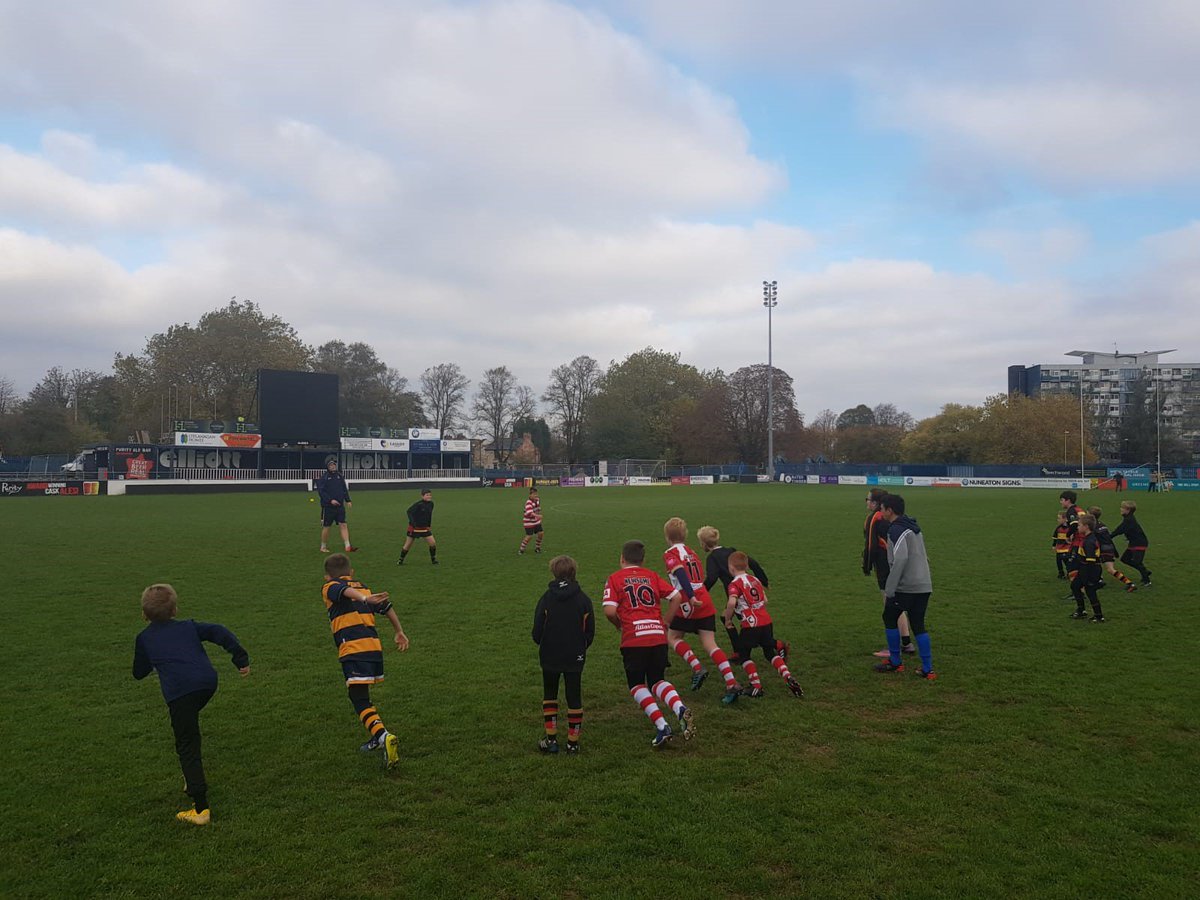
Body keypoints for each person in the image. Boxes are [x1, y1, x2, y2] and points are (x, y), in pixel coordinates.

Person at [132, 584, 250, 826]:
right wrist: (240, 658)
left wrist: (153, 658)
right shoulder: (189, 626)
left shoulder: (144, 638)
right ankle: (192, 778)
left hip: (181, 694)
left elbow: (138, 672)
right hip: (207, 683)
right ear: (175, 609)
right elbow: (219, 631)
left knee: (187, 745)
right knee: (188, 727)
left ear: (144, 615)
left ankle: (201, 810)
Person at [602, 540, 695, 748]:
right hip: (657, 635)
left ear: (621, 559)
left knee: (637, 685)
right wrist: (667, 621)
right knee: (657, 680)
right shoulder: (651, 575)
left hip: (634, 637)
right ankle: (679, 708)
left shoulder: (615, 578)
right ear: (642, 560)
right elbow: (677, 596)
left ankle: (663, 726)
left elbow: (609, 610)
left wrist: (619, 624)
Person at [321, 553, 409, 768]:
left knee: (358, 698)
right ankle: (376, 737)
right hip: (373, 649)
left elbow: (340, 589)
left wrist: (363, 599)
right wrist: (399, 631)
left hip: (354, 649)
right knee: (362, 696)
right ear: (351, 572)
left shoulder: (330, 587)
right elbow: (386, 607)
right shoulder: (363, 587)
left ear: (327, 576)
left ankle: (383, 736)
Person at [662, 517, 742, 704]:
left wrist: (690, 596)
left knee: (673, 637)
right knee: (710, 644)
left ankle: (697, 667)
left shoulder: (670, 554)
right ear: (686, 535)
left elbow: (681, 574)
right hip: (704, 599)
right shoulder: (692, 552)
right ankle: (732, 683)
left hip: (688, 601)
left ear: (667, 537)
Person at [697, 525, 790, 663]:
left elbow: (711, 578)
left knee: (751, 629)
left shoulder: (712, 558)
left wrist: (701, 594)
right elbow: (753, 563)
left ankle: (776, 645)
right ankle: (740, 652)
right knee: (727, 618)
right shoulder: (731, 551)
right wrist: (764, 580)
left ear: (703, 543)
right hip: (745, 591)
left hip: (738, 596)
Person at [531, 555, 594, 754]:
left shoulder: (546, 598)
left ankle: (551, 741)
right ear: (574, 573)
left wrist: (545, 643)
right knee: (574, 696)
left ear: (554, 573)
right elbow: (589, 633)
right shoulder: (584, 600)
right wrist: (580, 648)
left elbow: (536, 631)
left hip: (550, 654)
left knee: (550, 694)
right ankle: (572, 743)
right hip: (575, 655)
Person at [722, 552, 803, 698]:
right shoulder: (755, 580)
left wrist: (728, 618)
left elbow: (732, 602)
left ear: (731, 568)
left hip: (750, 624)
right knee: (768, 653)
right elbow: (765, 600)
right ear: (746, 566)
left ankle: (756, 686)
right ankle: (787, 676)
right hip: (766, 621)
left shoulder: (734, 584)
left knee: (744, 654)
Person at [873, 494, 936, 680]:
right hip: (924, 584)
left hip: (906, 586)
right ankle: (927, 669)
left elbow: (901, 558)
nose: (880, 512)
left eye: (882, 508)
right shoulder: (913, 527)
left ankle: (895, 661)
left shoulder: (896, 530)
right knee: (918, 625)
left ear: (889, 510)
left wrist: (891, 587)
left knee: (889, 617)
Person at [864, 490, 914, 657]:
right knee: (896, 604)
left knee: (890, 605)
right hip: (898, 564)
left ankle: (894, 648)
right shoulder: (897, 519)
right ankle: (906, 642)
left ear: (877, 504)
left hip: (885, 565)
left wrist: (867, 564)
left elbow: (871, 544)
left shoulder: (875, 518)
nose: (866, 502)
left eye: (869, 499)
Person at [1088, 506, 1137, 592]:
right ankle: (1099, 580)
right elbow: (1108, 538)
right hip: (1109, 548)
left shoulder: (1093, 527)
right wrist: (1114, 550)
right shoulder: (1102, 525)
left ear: (1091, 516)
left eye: (1087, 513)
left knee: (1108, 569)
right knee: (1096, 565)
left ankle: (1130, 584)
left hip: (1103, 549)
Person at [1068, 515, 1105, 623]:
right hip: (1084, 569)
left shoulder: (1089, 542)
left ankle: (1099, 616)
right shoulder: (1088, 538)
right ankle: (1081, 610)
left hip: (1090, 570)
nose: (1077, 528)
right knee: (1075, 586)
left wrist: (1090, 578)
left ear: (1086, 527)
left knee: (1090, 591)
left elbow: (1091, 561)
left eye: (1079, 525)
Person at [316, 459, 358, 553]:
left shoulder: (339, 476)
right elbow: (321, 492)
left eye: (334, 465)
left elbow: (344, 489)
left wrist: (348, 500)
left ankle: (348, 546)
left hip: (340, 506)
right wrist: (330, 500)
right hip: (328, 507)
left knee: (343, 524)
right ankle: (323, 547)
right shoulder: (324, 478)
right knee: (327, 526)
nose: (333, 466)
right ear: (327, 467)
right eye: (331, 465)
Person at [1111, 500, 1152, 586]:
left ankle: (1147, 580)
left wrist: (1109, 536)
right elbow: (1121, 529)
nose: (1120, 509)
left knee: (1137, 562)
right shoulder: (1128, 518)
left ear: (1128, 510)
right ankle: (1145, 571)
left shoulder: (1129, 520)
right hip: (1134, 543)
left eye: (1122, 508)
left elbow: (1120, 530)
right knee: (1125, 559)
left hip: (1139, 543)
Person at [398, 488, 437, 565]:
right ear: (422, 496)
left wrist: (429, 525)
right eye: (427, 495)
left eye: (430, 495)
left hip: (424, 528)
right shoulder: (418, 504)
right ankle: (400, 560)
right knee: (408, 545)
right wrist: (413, 524)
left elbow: (429, 516)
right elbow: (409, 511)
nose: (429, 496)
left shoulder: (431, 504)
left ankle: (433, 560)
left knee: (432, 543)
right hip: (414, 528)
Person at [519, 487, 544, 555]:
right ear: (530, 495)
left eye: (536, 494)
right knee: (529, 536)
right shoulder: (528, 502)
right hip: (528, 522)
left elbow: (538, 509)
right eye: (534, 494)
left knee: (541, 533)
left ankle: (537, 548)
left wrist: (538, 516)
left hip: (536, 521)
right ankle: (521, 549)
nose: (535, 496)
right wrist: (538, 516)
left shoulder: (537, 500)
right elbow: (530, 513)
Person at [1052, 512, 1072, 579]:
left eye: (1059, 518)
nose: (1058, 520)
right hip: (1059, 548)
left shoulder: (1070, 528)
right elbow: (1055, 538)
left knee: (1066, 561)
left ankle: (1069, 573)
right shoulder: (1058, 528)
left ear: (1065, 519)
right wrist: (1054, 546)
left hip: (1067, 548)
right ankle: (1061, 573)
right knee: (1058, 561)